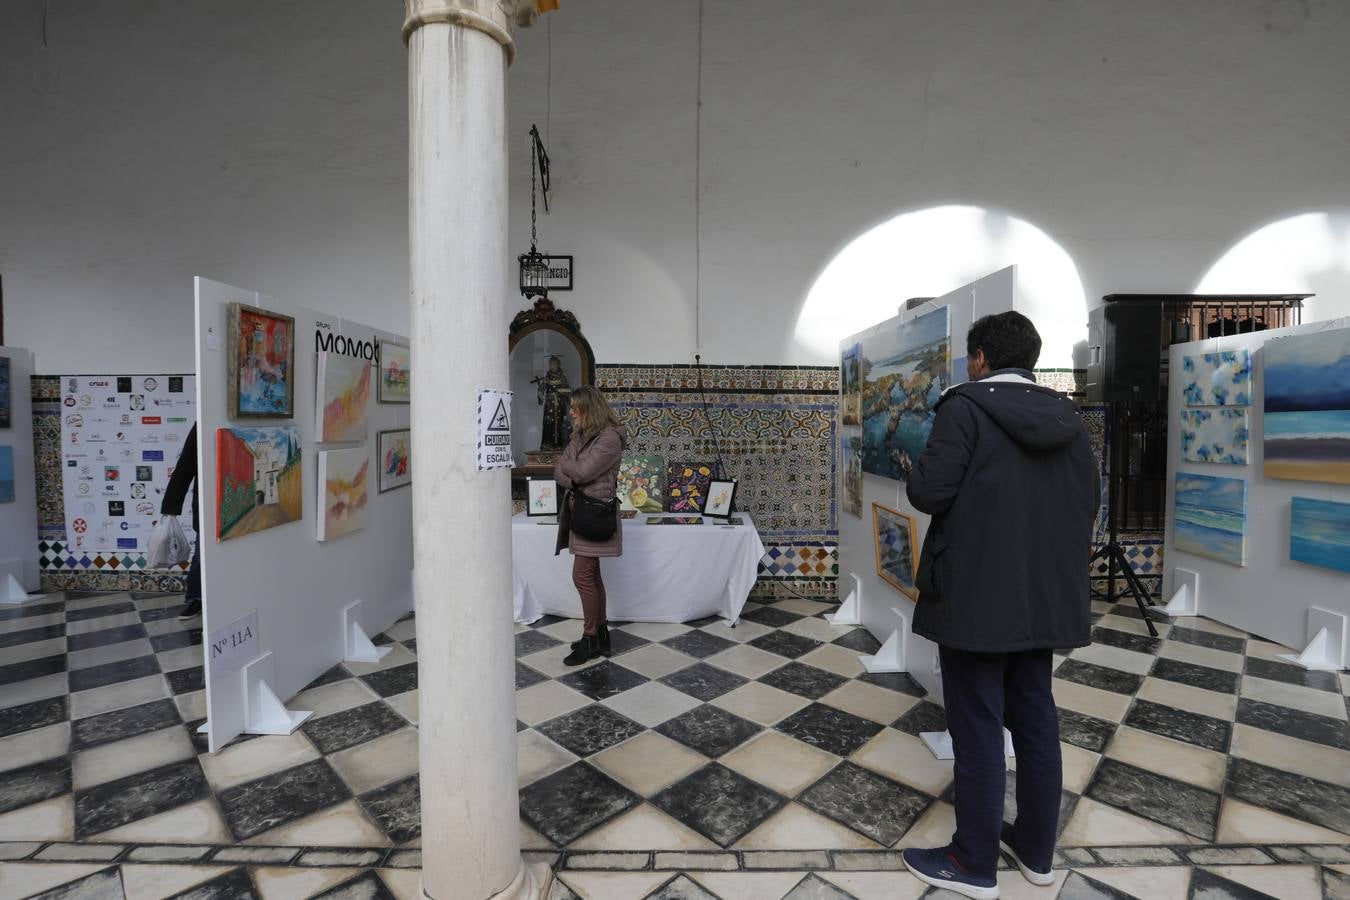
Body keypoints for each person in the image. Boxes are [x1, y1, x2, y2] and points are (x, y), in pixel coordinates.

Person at [899, 312, 1099, 900]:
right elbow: (1087, 502)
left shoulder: (964, 407)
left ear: (980, 357)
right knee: (1036, 722)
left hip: (977, 600)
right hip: (1043, 601)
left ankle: (972, 861)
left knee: (978, 726)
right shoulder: (1068, 416)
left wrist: (918, 472)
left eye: (971, 357)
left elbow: (931, 491)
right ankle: (1036, 852)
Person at [553, 385, 627, 665]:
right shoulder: (581, 435)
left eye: (575, 407)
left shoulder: (609, 438)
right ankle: (601, 635)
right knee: (592, 576)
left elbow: (580, 470)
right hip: (581, 512)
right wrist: (574, 472)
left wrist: (572, 469)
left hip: (593, 515)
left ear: (589, 408)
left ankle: (590, 638)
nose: (570, 413)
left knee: (582, 577)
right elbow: (559, 468)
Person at [161, 423, 201, 620]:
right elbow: (186, 465)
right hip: (208, 506)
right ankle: (196, 599)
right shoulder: (202, 423)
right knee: (202, 556)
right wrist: (171, 507)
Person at [535, 355, 573, 450]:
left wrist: (561, 391)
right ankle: (547, 444)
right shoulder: (547, 378)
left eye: (554, 364)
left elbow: (570, 390)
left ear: (558, 365)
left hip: (560, 405)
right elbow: (541, 390)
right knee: (548, 423)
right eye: (551, 364)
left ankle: (560, 444)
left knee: (561, 423)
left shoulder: (563, 377)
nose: (552, 366)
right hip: (549, 406)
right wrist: (541, 394)